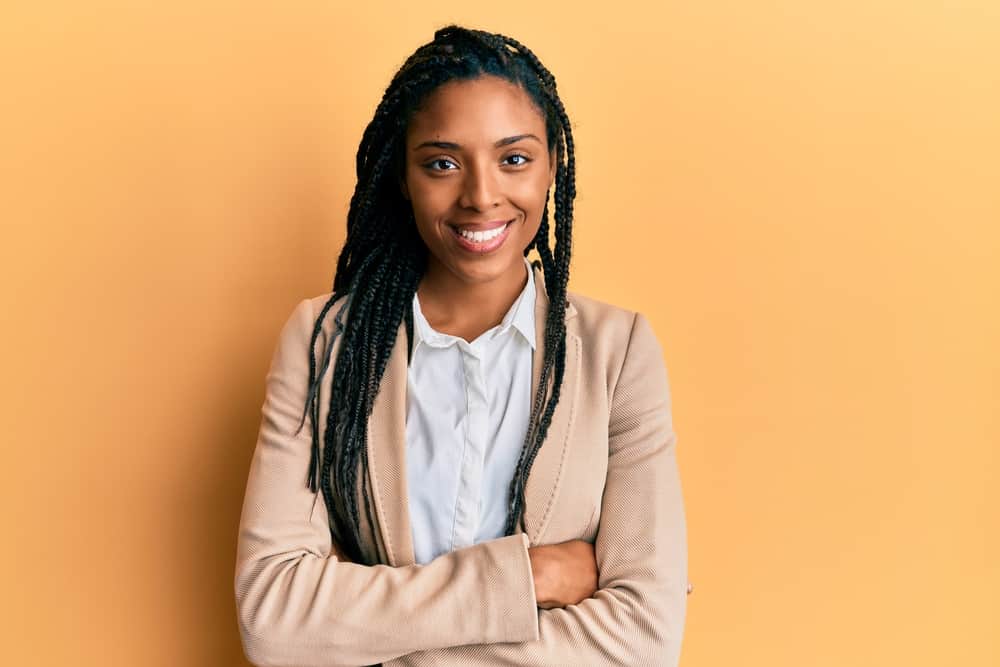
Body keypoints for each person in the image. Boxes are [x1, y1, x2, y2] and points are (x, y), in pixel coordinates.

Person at [234, 24, 688, 667]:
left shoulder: (619, 354)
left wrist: (369, 639)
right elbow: (271, 622)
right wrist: (526, 581)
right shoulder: (325, 341)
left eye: (514, 158)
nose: (480, 196)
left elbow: (643, 640)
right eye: (442, 163)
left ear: (552, 164)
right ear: (403, 177)